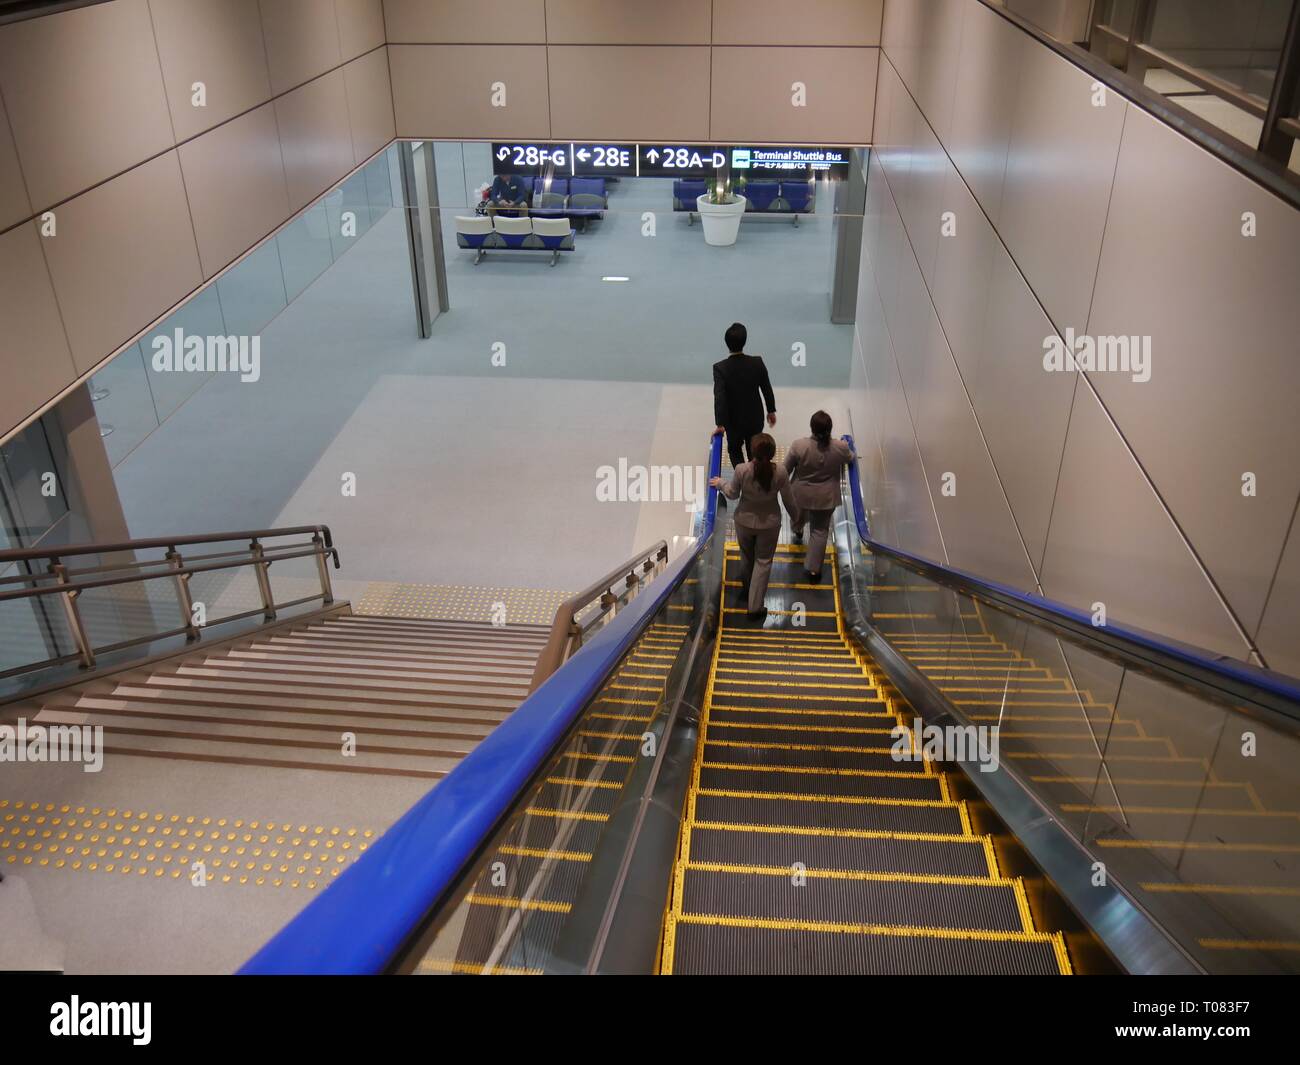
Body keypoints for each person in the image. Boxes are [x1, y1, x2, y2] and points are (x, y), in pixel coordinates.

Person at [710, 433, 796, 622]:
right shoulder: (780, 472)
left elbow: (732, 494)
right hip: (770, 524)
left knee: (746, 555)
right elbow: (789, 500)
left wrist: (720, 483)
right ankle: (755, 607)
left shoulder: (742, 470)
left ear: (752, 451)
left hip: (744, 521)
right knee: (763, 562)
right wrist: (797, 518)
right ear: (773, 453)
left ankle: (748, 587)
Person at [785, 411, 855, 582]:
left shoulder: (799, 446)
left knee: (798, 516)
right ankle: (813, 570)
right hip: (826, 497)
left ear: (812, 427)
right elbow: (851, 458)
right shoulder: (840, 447)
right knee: (820, 531)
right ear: (830, 428)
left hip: (800, 494)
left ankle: (797, 529)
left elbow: (785, 469)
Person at [712, 323, 776, 469]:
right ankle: (755, 475)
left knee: (734, 450)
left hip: (733, 421)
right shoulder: (757, 363)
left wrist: (720, 424)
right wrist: (771, 410)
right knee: (754, 448)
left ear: (727, 343)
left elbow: (720, 397)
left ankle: (742, 477)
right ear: (745, 341)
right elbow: (766, 388)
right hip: (755, 418)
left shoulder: (720, 368)